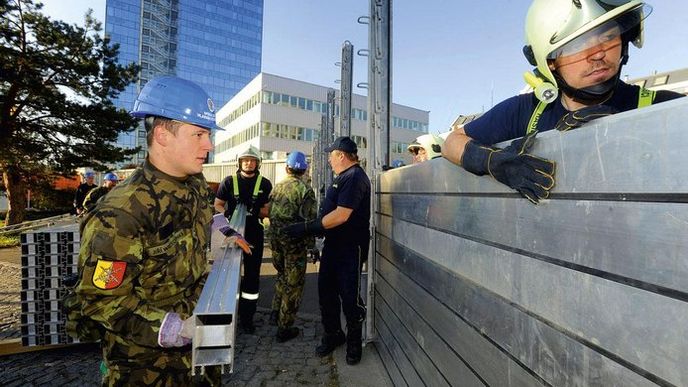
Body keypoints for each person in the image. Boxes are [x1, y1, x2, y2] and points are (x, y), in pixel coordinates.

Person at [442, 0, 684, 204]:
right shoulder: (526, 110)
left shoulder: (663, 109)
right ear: (550, 62)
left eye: (609, 36)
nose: (598, 53)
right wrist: (492, 161)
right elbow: (451, 142)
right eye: (578, 45)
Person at [64, 76, 223, 386]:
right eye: (200, 134)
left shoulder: (194, 183)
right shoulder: (122, 212)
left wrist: (223, 229)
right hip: (145, 368)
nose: (209, 145)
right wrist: (171, 329)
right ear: (162, 135)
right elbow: (101, 301)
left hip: (199, 356)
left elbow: (208, 215)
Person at [283, 136, 371, 365]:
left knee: (349, 297)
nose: (329, 160)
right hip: (334, 246)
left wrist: (307, 228)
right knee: (326, 294)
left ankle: (353, 342)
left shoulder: (354, 177)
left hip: (350, 248)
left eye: (331, 155)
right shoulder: (342, 177)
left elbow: (342, 215)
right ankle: (333, 335)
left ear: (341, 155)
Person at [213, 145, 272, 334]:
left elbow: (267, 210)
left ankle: (247, 318)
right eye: (245, 160)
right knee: (227, 274)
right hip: (231, 234)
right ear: (240, 162)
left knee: (252, 277)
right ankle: (226, 312)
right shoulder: (229, 182)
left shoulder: (264, 183)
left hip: (254, 233)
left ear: (257, 163)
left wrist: (257, 211)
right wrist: (226, 214)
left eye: (252, 160)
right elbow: (218, 204)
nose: (249, 163)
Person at [267, 151, 317, 343]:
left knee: (281, 276)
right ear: (304, 169)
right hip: (295, 243)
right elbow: (310, 220)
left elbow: (269, 212)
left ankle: (274, 312)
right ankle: (284, 326)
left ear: (287, 167)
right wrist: (311, 246)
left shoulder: (277, 187)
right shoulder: (305, 190)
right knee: (294, 284)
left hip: (276, 240)